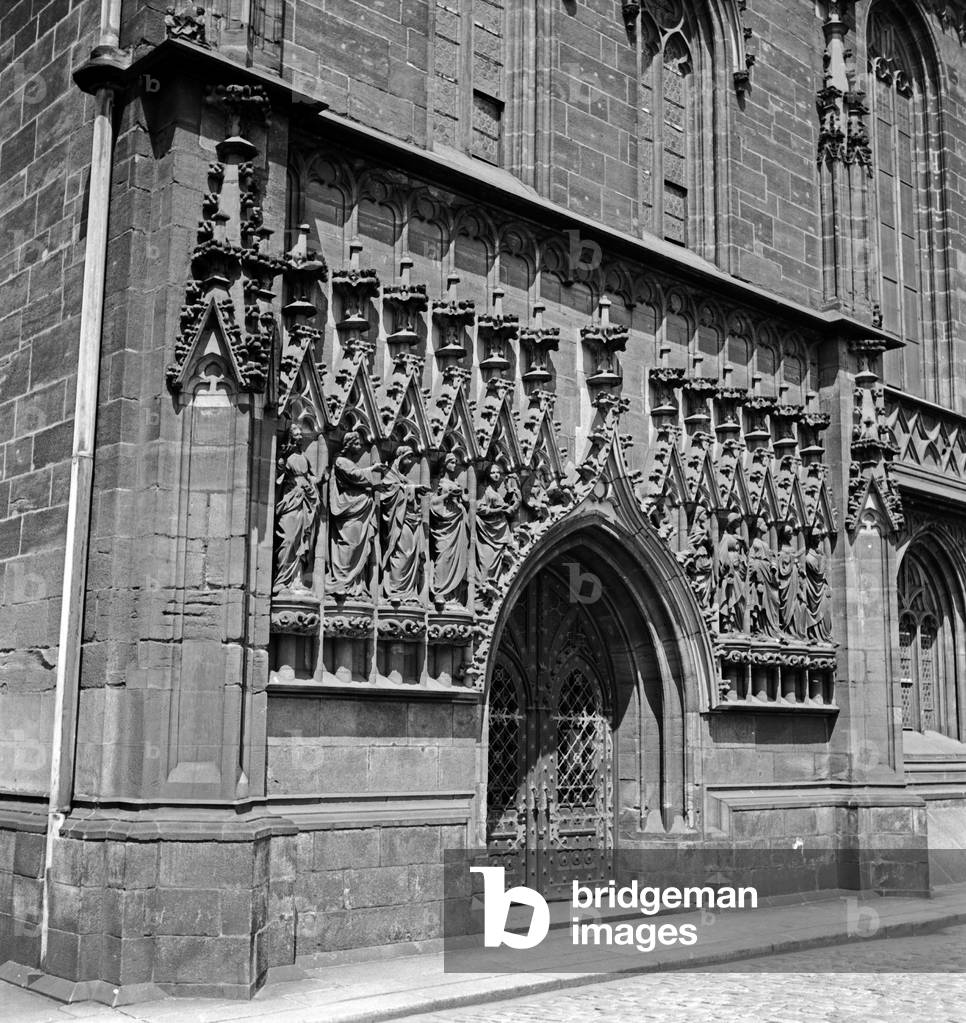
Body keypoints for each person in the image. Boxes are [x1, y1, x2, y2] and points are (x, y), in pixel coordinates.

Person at [327, 431, 382, 597]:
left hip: (360, 509)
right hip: (348, 510)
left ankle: (355, 584)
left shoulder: (350, 463)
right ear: (348, 444)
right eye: (357, 444)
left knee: (359, 545)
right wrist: (373, 470)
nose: (360, 448)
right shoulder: (340, 461)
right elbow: (354, 476)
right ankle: (341, 581)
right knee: (348, 544)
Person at [273, 423, 321, 593]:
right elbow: (277, 475)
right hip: (291, 499)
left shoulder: (304, 456)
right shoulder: (286, 456)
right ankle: (282, 579)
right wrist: (282, 459)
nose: (300, 437)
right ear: (291, 437)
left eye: (301, 434)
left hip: (305, 499)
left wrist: (315, 481)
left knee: (302, 539)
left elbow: (310, 475)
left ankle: (297, 579)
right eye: (297, 434)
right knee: (289, 538)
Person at [380, 445, 426, 603]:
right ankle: (396, 589)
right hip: (399, 521)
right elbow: (388, 494)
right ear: (399, 457)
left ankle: (408, 591)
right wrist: (412, 489)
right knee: (402, 552)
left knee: (411, 553)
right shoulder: (390, 476)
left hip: (413, 520)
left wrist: (414, 490)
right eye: (408, 457)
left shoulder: (403, 478)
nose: (411, 461)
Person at [430, 451, 469, 606]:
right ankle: (440, 591)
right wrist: (447, 496)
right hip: (444, 523)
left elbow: (466, 502)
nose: (455, 465)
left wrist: (463, 499)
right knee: (444, 555)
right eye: (452, 462)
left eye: (456, 462)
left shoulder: (457, 483)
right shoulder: (437, 482)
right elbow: (431, 503)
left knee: (459, 558)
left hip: (458, 521)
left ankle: (454, 595)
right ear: (444, 464)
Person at [475, 463, 520, 584]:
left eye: (498, 472)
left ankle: (493, 586)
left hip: (501, 529)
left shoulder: (496, 490)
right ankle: (482, 589)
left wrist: (511, 493)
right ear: (487, 474)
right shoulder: (483, 488)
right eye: (493, 472)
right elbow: (479, 509)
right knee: (487, 561)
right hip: (487, 530)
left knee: (499, 561)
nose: (496, 475)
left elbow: (505, 507)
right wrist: (499, 510)